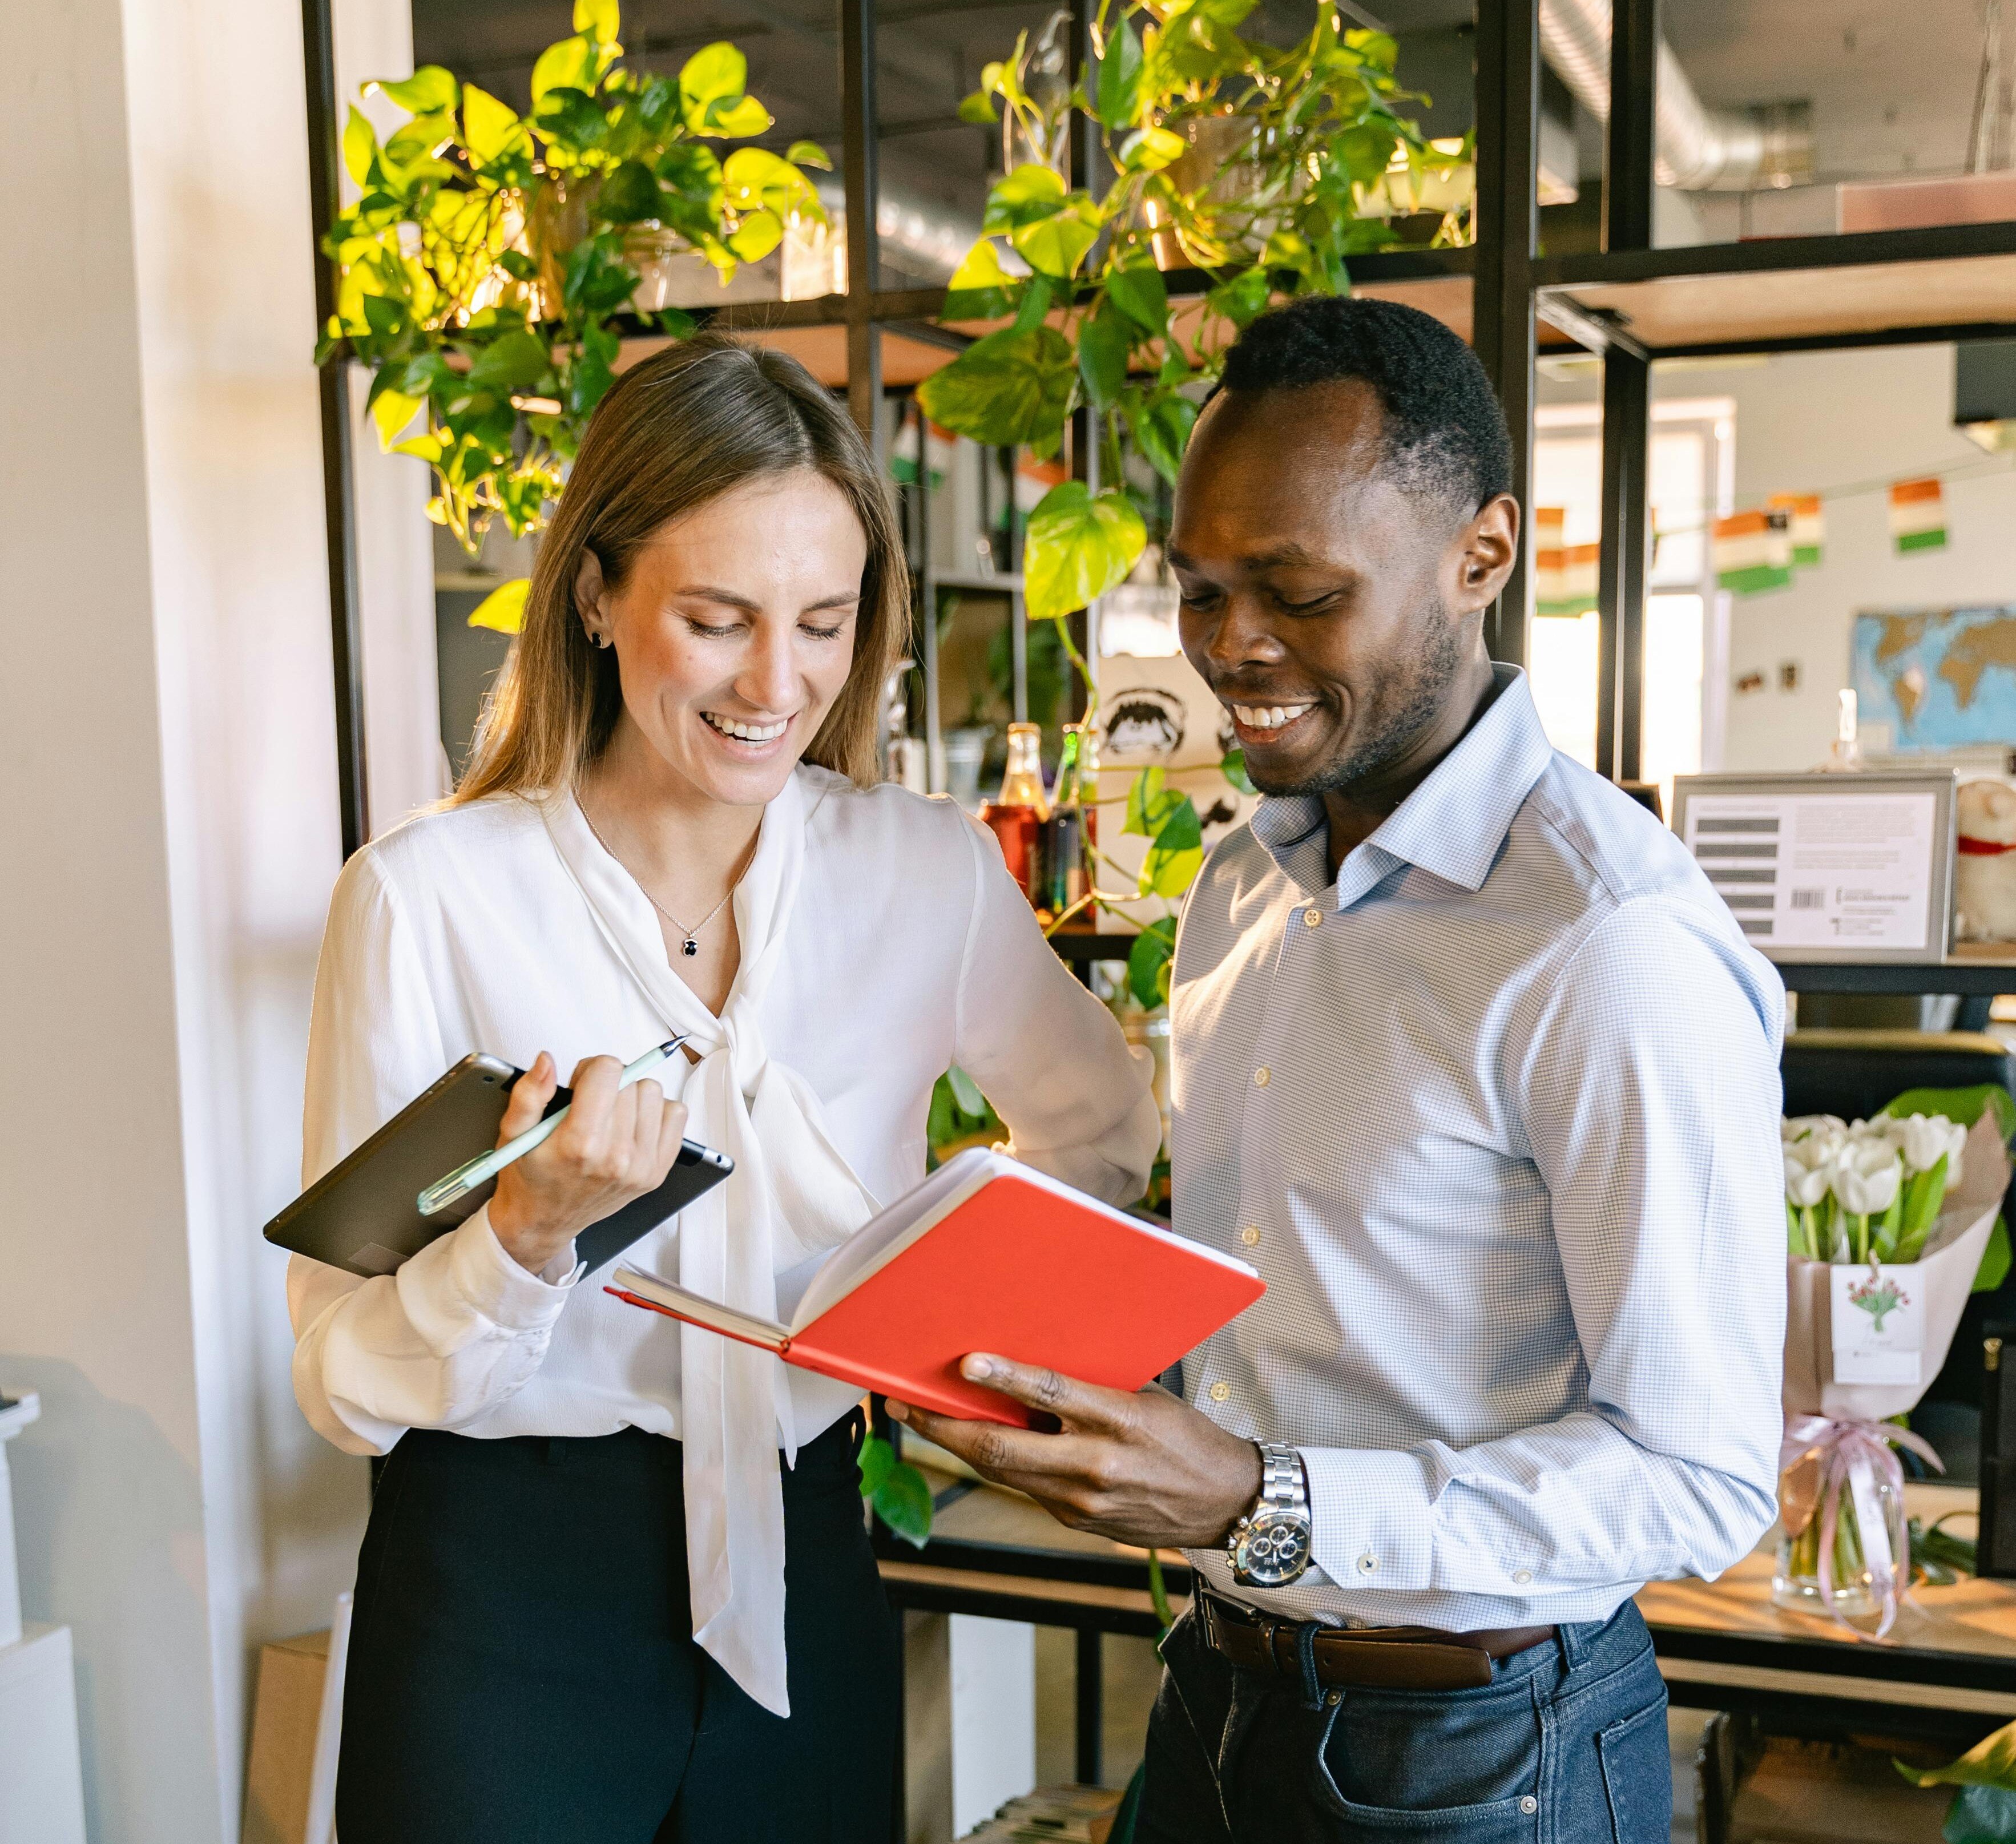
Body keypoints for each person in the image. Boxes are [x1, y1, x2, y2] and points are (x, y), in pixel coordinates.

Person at [889, 296, 1785, 1843]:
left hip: (1485, 1751)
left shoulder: (1606, 942)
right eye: (1203, 589)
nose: (1234, 647)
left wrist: (1253, 1497)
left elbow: (1698, 1480)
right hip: (1221, 1693)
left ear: (1482, 557)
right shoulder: (1243, 879)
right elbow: (1290, 1303)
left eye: (1299, 593)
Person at [291, 332, 1160, 1844]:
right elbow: (341, 1379)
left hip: (803, 1545)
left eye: (824, 623)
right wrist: (520, 1236)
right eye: (716, 619)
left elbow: (1102, 1139)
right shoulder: (426, 897)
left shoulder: (923, 873)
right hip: (504, 1589)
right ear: (594, 594)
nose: (779, 683)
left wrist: (939, 1329)